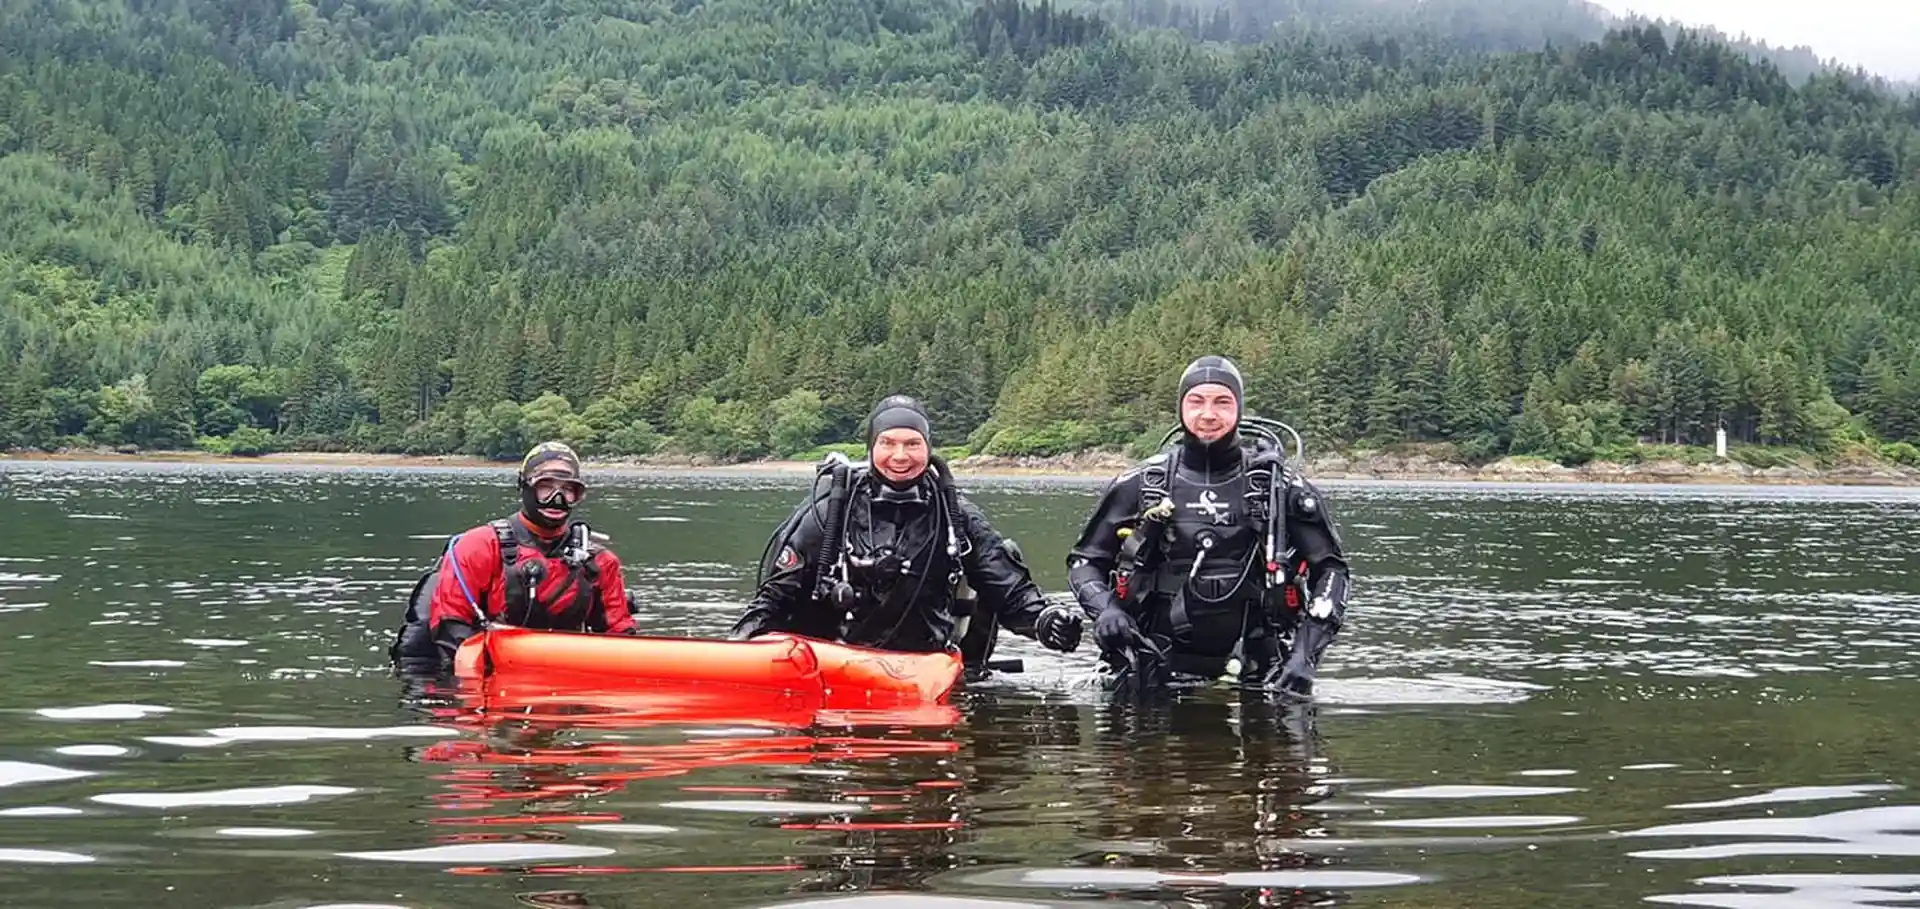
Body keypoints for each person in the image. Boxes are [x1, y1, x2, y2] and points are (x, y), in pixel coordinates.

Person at [1065, 355, 1351, 696]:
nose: (1209, 414)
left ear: (1239, 410)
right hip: (1154, 660)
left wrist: (1305, 655)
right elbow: (1085, 562)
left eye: (1222, 402)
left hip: (1259, 666)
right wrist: (1106, 611)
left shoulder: (1279, 488)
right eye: (1196, 401)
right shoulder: (1141, 484)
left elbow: (1332, 571)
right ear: (1181, 408)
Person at [728, 394, 1083, 661]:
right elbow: (775, 596)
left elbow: (1009, 588)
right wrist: (739, 644)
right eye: (888, 443)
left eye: (912, 444)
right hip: (835, 656)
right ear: (871, 447)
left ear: (928, 449)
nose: (900, 456)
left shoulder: (955, 515)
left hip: (925, 660)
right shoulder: (831, 509)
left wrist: (1047, 620)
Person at [389, 441, 637, 672]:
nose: (556, 499)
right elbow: (450, 624)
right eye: (546, 487)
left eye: (567, 490)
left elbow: (619, 635)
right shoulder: (479, 546)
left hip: (560, 671)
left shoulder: (600, 562)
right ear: (525, 487)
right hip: (482, 671)